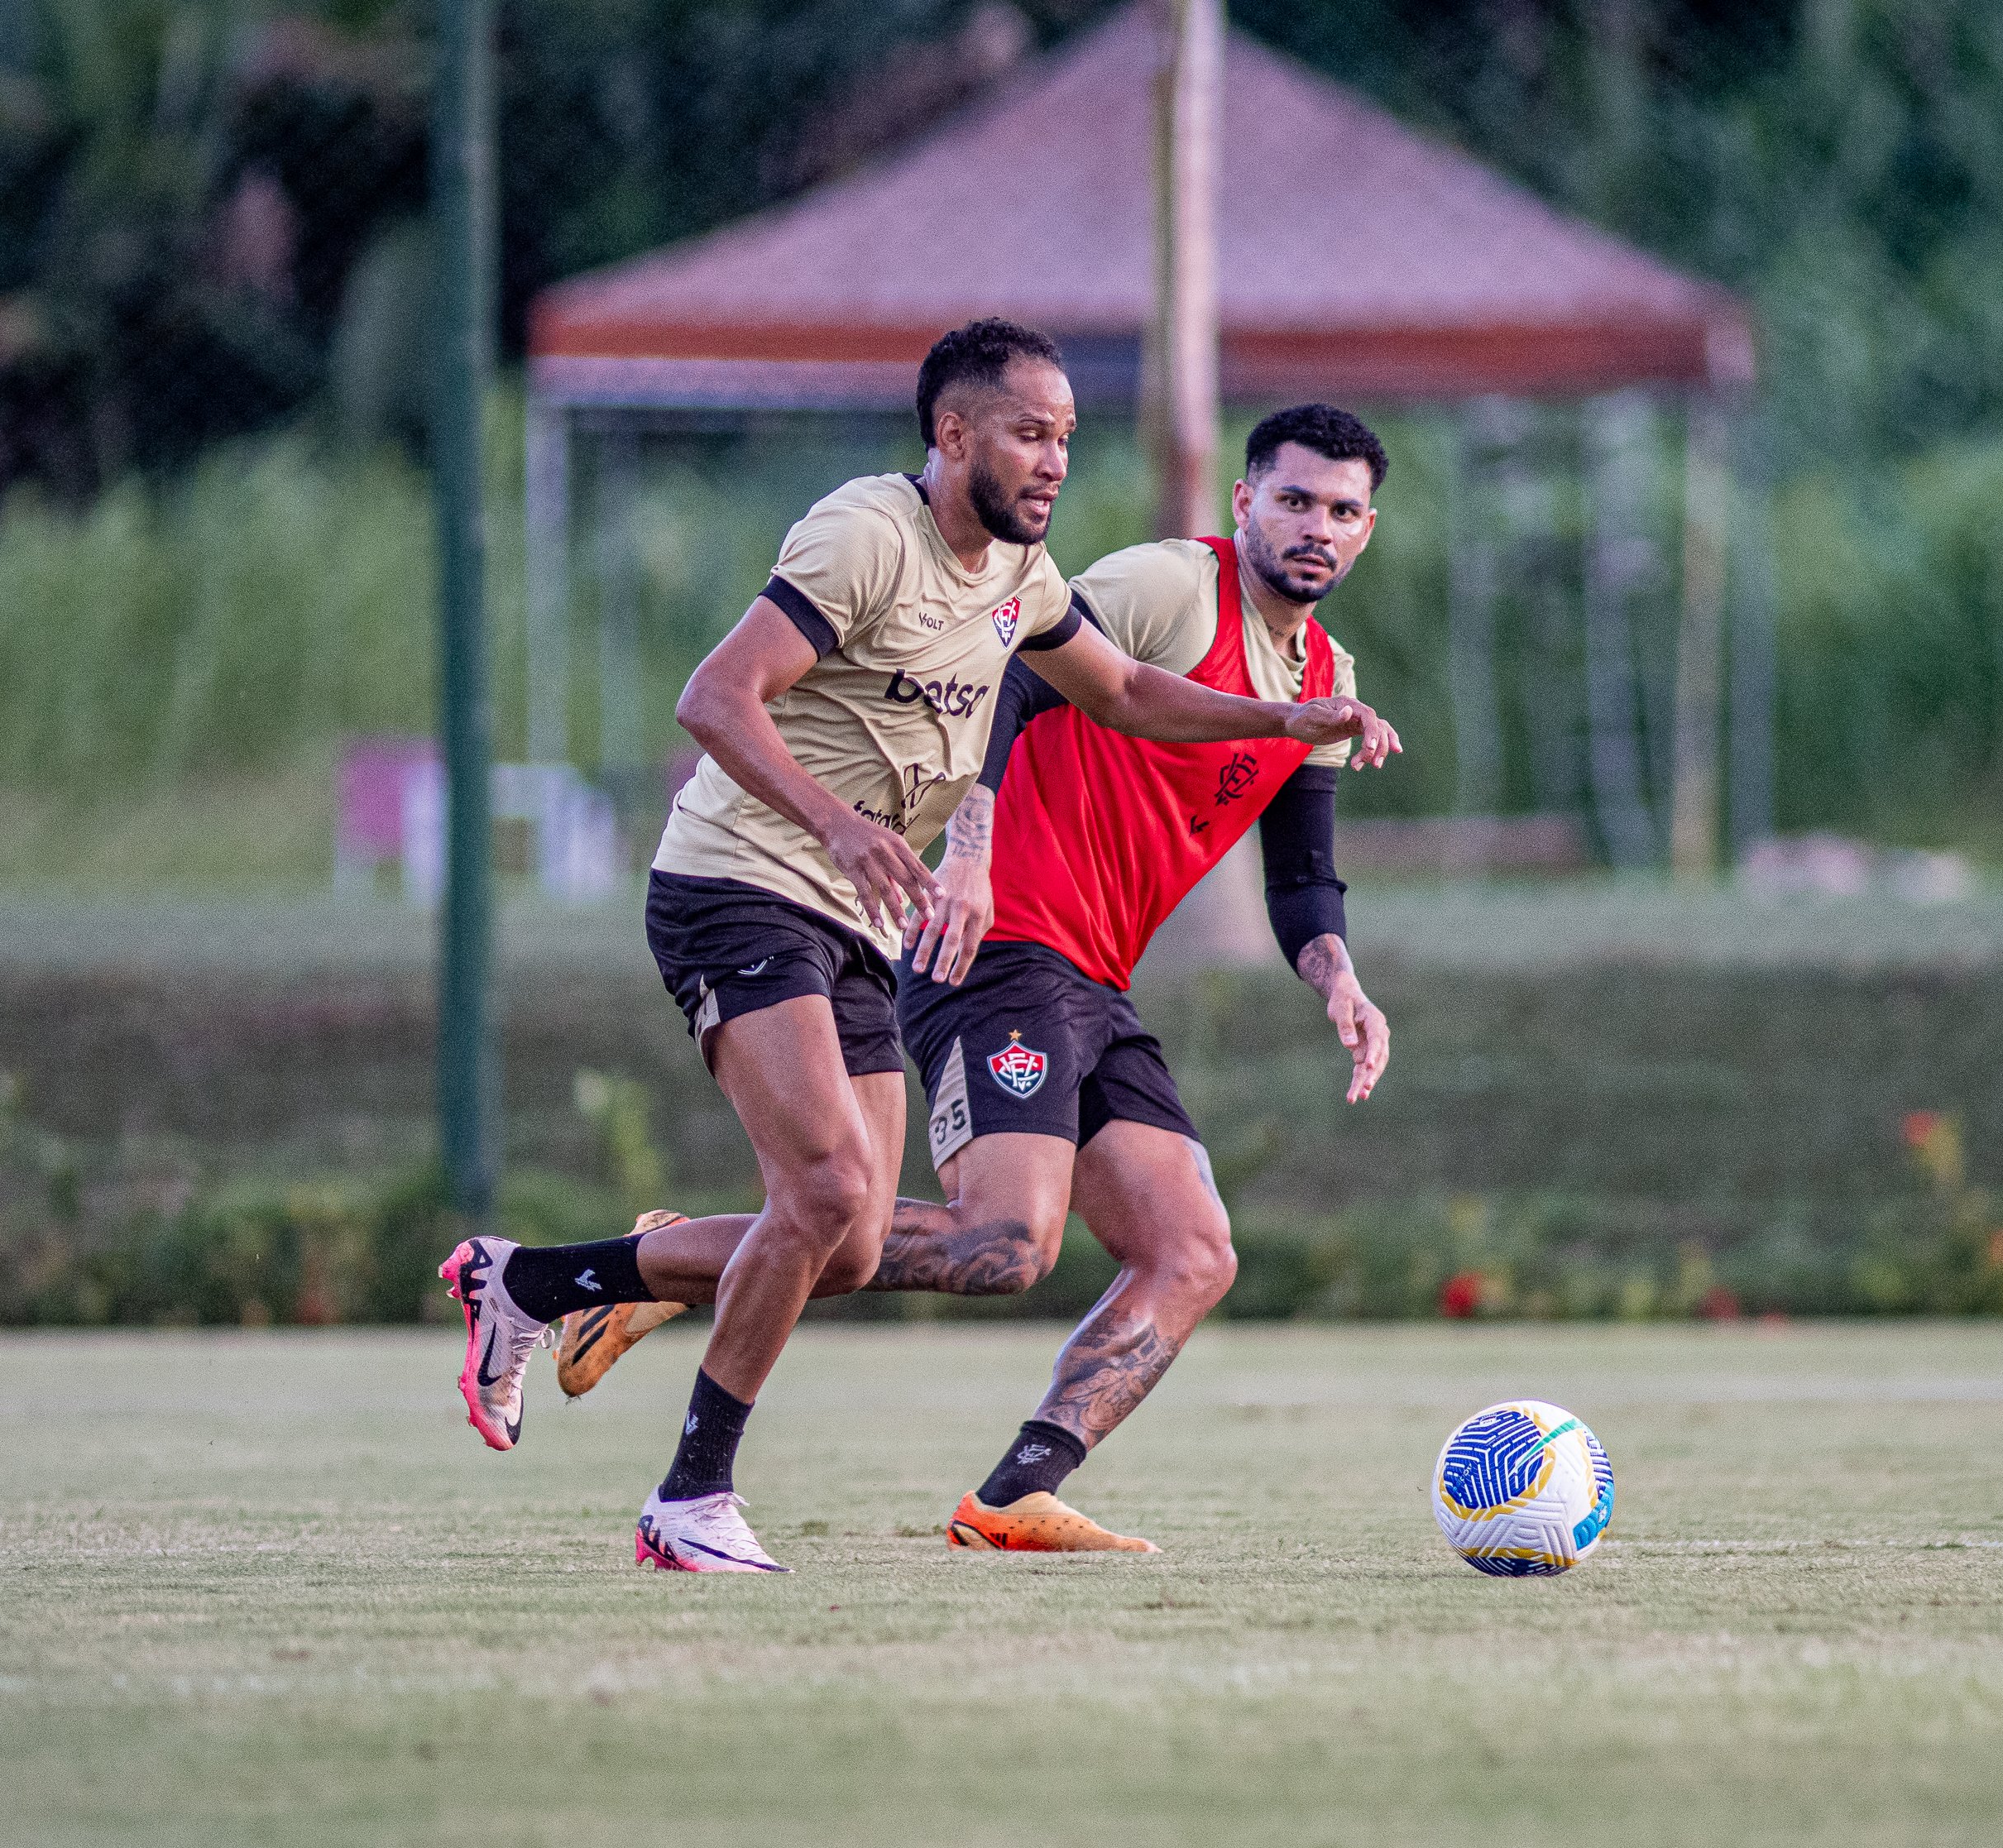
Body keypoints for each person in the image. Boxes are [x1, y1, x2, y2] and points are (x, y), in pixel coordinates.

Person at [436, 324, 1398, 1574]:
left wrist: (1325, 903)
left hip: (959, 943)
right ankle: (686, 1496)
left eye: (1064, 437)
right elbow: (752, 694)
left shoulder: (1097, 598)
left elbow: (1183, 751)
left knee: (1049, 1242)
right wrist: (937, 840)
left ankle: (575, 1283)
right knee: (874, 1206)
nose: (1054, 461)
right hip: (861, 911)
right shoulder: (975, 549)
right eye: (1027, 432)